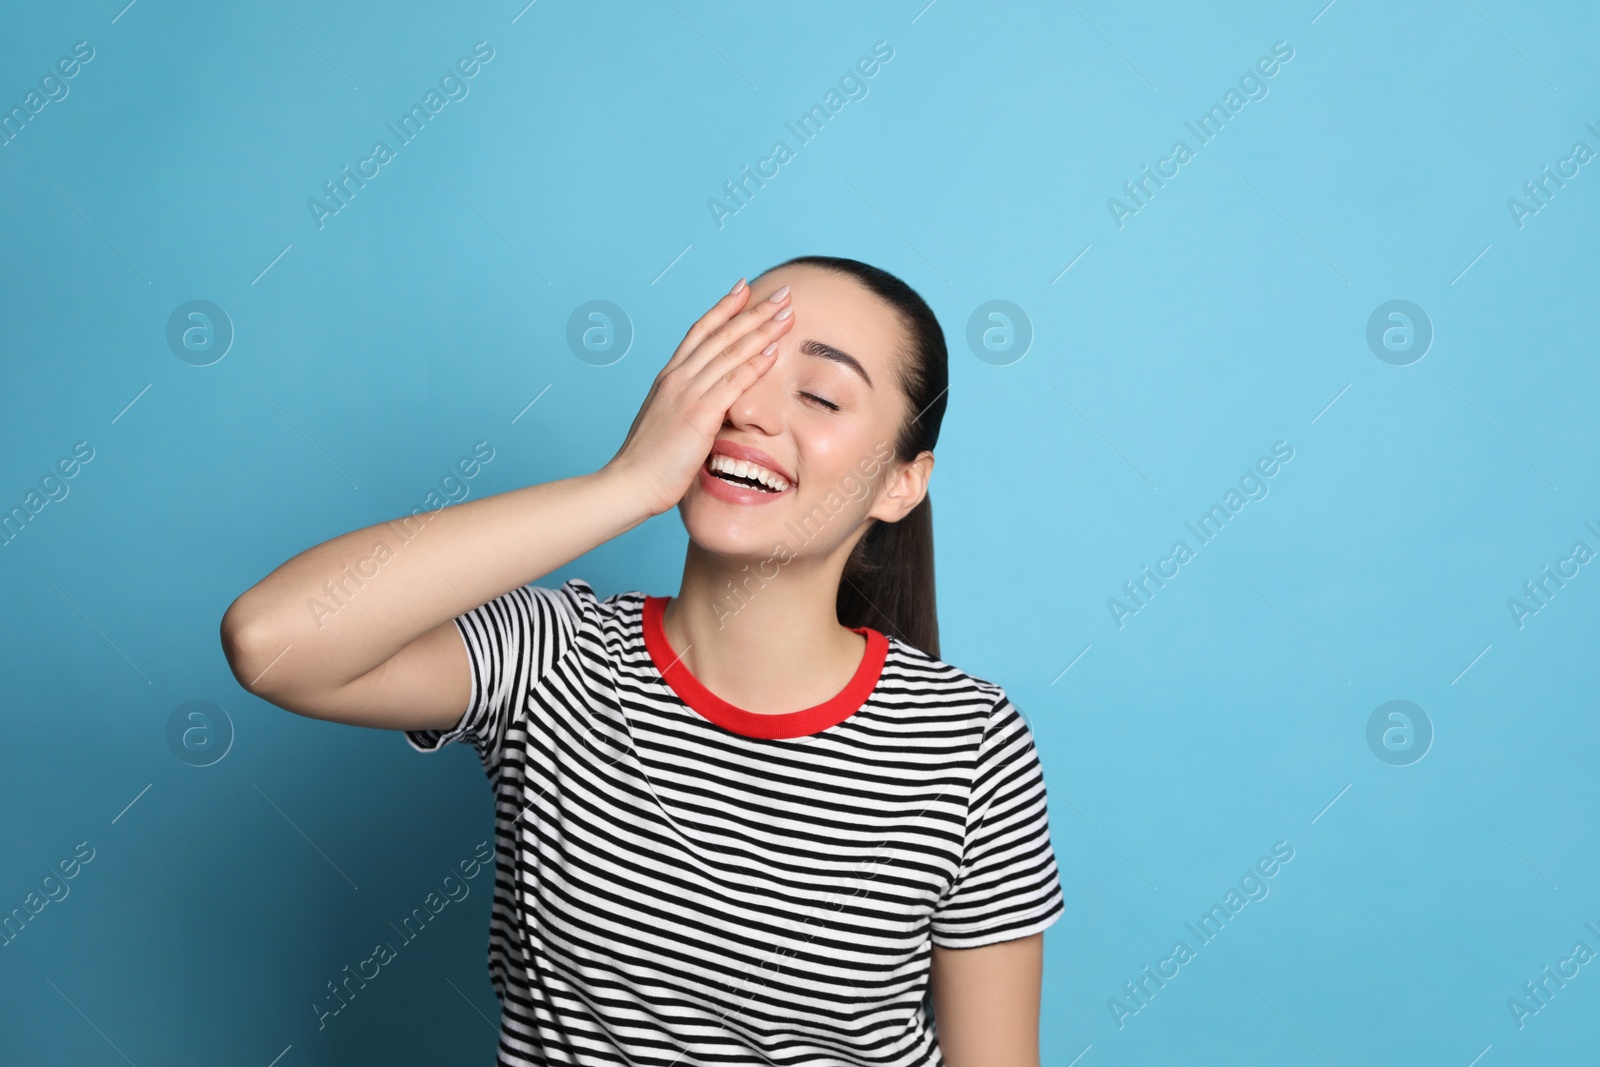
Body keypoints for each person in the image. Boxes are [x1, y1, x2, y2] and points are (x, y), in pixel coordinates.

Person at [220, 255, 1065, 1066]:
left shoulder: (972, 743)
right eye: (733, 368)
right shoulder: (551, 659)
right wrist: (625, 483)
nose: (751, 413)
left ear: (900, 484)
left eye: (818, 394)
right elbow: (272, 640)